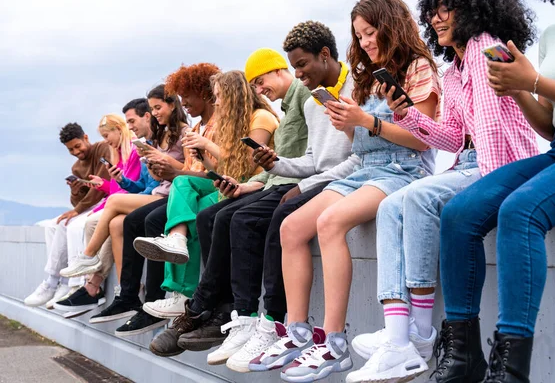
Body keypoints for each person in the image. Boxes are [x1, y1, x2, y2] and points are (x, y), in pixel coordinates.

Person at [350, 0, 537, 382]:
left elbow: (490, 126)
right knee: (389, 205)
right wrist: (405, 114)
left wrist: (489, 180)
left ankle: (418, 334)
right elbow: (452, 136)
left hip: (503, 162)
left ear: (474, 9)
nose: (435, 18)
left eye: (445, 9)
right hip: (471, 160)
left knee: (417, 196)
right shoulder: (452, 73)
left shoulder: (491, 48)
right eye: (432, 11)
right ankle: (400, 332)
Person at [146, 22, 358, 369]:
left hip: (317, 183)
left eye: (300, 65)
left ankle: (253, 317)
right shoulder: (305, 102)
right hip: (292, 180)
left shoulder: (301, 99)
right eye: (295, 66)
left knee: (247, 219)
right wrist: (270, 168)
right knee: (212, 216)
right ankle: (216, 310)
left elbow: (343, 158)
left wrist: (271, 175)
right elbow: (309, 159)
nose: (298, 72)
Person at [269, 0, 441, 382]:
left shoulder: (419, 68)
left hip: (402, 171)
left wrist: (366, 121)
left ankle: (334, 342)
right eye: (359, 35)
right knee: (291, 228)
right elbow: (361, 138)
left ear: (391, 25)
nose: (364, 42)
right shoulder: (369, 74)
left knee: (330, 222)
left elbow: (425, 139)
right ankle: (298, 332)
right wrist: (348, 122)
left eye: (370, 32)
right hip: (365, 170)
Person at [437, 0, 555, 381]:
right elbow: (549, 123)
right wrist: (518, 89)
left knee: (520, 210)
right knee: (458, 214)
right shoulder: (553, 35)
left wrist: (536, 83)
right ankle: (462, 357)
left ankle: (510, 369)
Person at [133, 69, 280, 318]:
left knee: (194, 213)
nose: (218, 101)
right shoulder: (232, 120)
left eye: (220, 96)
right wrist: (203, 157)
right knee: (182, 186)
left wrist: (206, 145)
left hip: (251, 185)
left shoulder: (261, 118)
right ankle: (176, 242)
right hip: (231, 181)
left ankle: (185, 293)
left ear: (233, 94)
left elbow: (245, 166)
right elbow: (224, 168)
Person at [94, 66, 221, 336]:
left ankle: (150, 296)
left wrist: (168, 166)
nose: (154, 114)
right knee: (128, 221)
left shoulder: (196, 129)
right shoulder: (196, 128)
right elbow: (185, 171)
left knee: (146, 218)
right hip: (181, 188)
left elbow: (208, 170)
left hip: (191, 189)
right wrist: (162, 169)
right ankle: (132, 294)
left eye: (157, 108)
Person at [59, 84, 188, 285]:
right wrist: (120, 180)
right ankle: (125, 288)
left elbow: (178, 172)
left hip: (162, 195)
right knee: (117, 222)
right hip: (155, 193)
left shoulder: (165, 140)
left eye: (131, 121)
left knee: (113, 204)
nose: (130, 127)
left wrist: (156, 160)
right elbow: (148, 181)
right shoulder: (146, 145)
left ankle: (89, 258)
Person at [53, 113, 150, 313]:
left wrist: (105, 189)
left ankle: (91, 275)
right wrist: (102, 185)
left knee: (101, 222)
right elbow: (119, 188)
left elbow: (135, 186)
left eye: (107, 135)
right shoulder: (117, 153)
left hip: (139, 198)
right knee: (96, 222)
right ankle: (96, 284)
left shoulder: (130, 149)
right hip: (125, 198)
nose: (106, 141)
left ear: (118, 129)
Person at [26, 123, 111, 308]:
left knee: (73, 226)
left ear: (86, 137)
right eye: (70, 149)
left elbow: (101, 188)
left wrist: (77, 210)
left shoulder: (102, 149)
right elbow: (77, 202)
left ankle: (74, 283)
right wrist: (75, 192)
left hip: (106, 200)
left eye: (77, 146)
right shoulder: (76, 167)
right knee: (54, 224)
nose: (75, 151)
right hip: (89, 205)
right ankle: (54, 282)